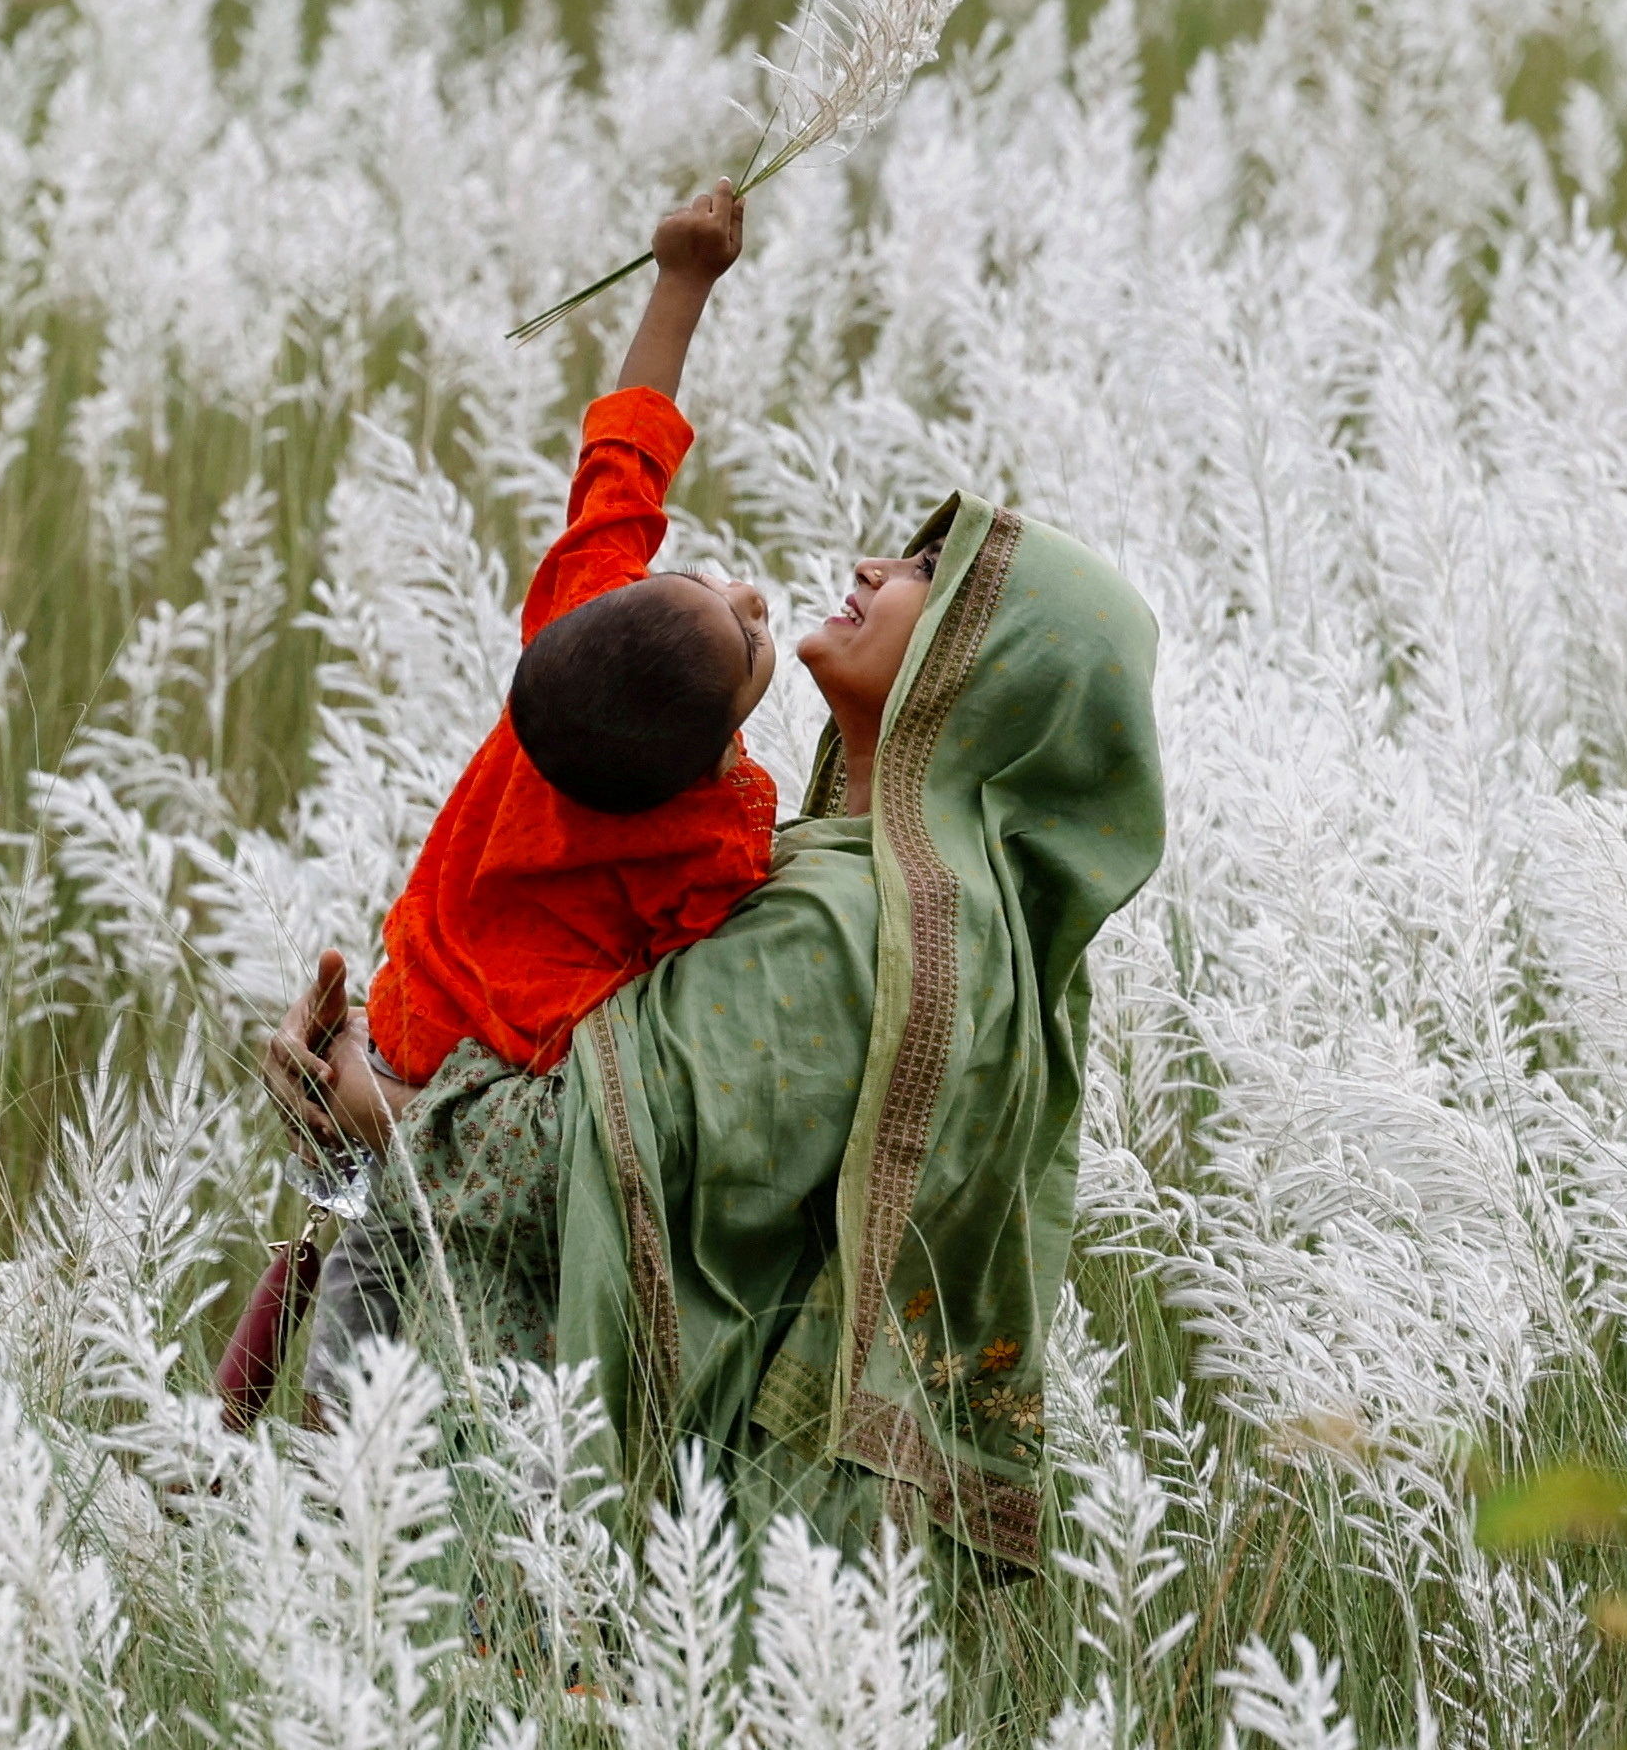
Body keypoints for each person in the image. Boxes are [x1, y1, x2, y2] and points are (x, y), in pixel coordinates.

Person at [268, 488, 1165, 1569]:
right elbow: (591, 1077)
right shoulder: (856, 881)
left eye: (930, 572)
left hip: (671, 1550)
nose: (875, 566)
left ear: (990, 668)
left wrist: (367, 1099)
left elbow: (577, 1161)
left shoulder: (856, 927)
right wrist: (367, 1077)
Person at [359, 177, 777, 1093]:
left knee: (359, 1241)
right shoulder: (714, 833)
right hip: (495, 1092)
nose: (750, 595)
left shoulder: (579, 611)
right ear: (714, 759)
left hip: (399, 1018)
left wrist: (680, 279)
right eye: (747, 641)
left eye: (713, 590)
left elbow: (623, 463)